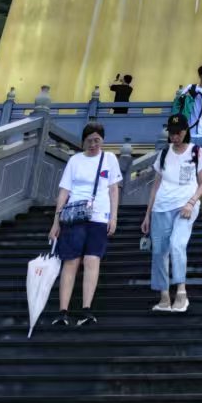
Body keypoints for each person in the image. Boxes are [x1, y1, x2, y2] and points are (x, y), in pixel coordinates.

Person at [46, 122, 120, 327]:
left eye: (97, 140)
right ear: (83, 142)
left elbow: (114, 189)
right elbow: (64, 192)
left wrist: (113, 217)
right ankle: (63, 310)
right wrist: (56, 222)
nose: (93, 144)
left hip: (99, 216)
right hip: (74, 216)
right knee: (70, 261)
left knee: (92, 260)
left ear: (103, 140)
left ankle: (86, 308)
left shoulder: (110, 159)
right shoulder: (75, 161)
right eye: (89, 141)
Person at [140, 112, 202, 312]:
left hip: (186, 205)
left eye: (178, 132)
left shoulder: (196, 151)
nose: (174, 136)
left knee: (177, 244)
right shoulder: (164, 153)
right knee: (159, 252)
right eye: (171, 132)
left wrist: (192, 202)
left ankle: (181, 292)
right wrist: (147, 214)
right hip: (161, 206)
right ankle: (163, 296)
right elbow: (155, 186)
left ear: (185, 131)